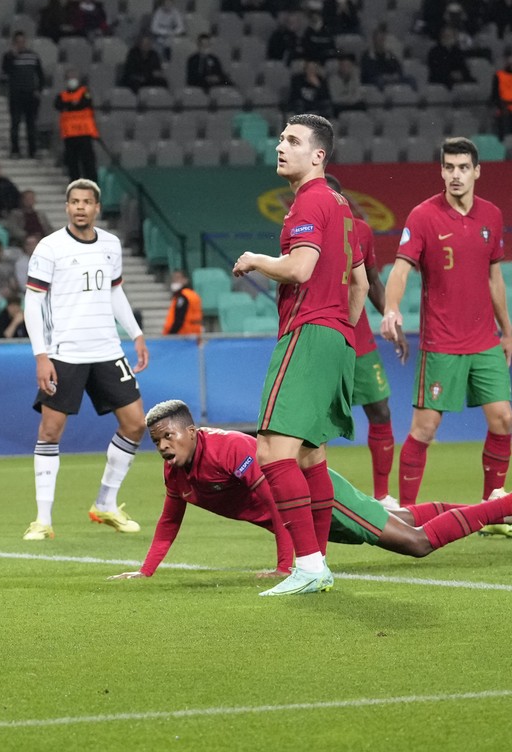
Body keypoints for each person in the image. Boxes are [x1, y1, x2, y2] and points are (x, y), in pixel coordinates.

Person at [109, 400, 512, 581]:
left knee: (415, 542)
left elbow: (275, 499)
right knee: (403, 518)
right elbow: (168, 523)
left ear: (191, 433)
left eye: (168, 437)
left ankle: (504, 506)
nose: (162, 446)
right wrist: (145, 572)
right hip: (309, 512)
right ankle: (499, 509)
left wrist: (290, 565)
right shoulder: (176, 474)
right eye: (156, 440)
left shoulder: (229, 449)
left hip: (319, 499)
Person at [231, 114, 368, 595]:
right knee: (311, 456)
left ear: (318, 156)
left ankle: (308, 565)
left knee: (272, 451)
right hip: (335, 336)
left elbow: (300, 267)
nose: (280, 147)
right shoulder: (342, 205)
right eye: (281, 139)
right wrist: (340, 332)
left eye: (293, 141)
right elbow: (361, 285)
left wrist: (255, 259)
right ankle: (317, 565)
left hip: (308, 333)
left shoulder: (309, 201)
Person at [380, 137, 512, 517]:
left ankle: (494, 509)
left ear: (477, 171)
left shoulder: (492, 216)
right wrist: (391, 309)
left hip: (485, 340)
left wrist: (507, 330)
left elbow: (495, 279)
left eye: (463, 168)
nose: (456, 175)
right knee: (425, 429)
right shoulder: (423, 216)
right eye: (449, 167)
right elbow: (400, 270)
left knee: (503, 419)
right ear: (441, 171)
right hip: (442, 343)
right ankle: (406, 515)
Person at [23, 178, 149, 542]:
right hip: (65, 353)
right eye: (74, 202)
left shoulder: (110, 245)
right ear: (67, 207)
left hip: (107, 350)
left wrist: (136, 333)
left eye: (87, 202)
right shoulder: (50, 248)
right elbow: (32, 302)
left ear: (96, 207)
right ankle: (43, 519)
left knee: (136, 424)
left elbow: (115, 292)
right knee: (50, 431)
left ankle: (105, 503)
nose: (80, 207)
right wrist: (41, 354)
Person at [327, 175, 398, 505]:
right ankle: (316, 494)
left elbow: (372, 281)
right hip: (322, 341)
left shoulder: (362, 231)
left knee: (381, 412)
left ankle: (382, 496)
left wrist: (390, 317)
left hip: (360, 341)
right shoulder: (302, 232)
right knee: (314, 425)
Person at [54, 70, 98, 184]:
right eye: (69, 77)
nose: (72, 80)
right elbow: (58, 105)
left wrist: (69, 106)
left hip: (84, 133)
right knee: (72, 164)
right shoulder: (62, 95)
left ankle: (92, 186)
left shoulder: (85, 92)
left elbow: (85, 103)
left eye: (74, 77)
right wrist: (73, 104)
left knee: (88, 163)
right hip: (70, 135)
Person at [162, 270, 202, 336]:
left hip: (183, 334)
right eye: (173, 278)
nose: (175, 281)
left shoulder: (182, 297)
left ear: (185, 280)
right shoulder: (193, 294)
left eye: (178, 278)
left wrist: (170, 334)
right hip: (194, 333)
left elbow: (179, 319)